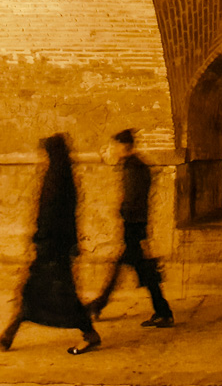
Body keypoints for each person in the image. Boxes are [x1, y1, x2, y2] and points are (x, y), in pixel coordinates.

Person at [0, 134, 101, 355]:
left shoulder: (55, 178)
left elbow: (51, 215)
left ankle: (89, 333)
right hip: (55, 247)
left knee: (60, 295)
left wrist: (41, 239)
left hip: (52, 248)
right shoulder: (64, 176)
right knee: (33, 293)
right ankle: (7, 337)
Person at [86, 129, 173, 328]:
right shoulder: (134, 166)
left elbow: (133, 200)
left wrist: (125, 217)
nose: (112, 150)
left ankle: (99, 305)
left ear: (124, 147)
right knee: (139, 269)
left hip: (133, 226)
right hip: (136, 225)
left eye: (115, 146)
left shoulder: (133, 168)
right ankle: (162, 311)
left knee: (139, 270)